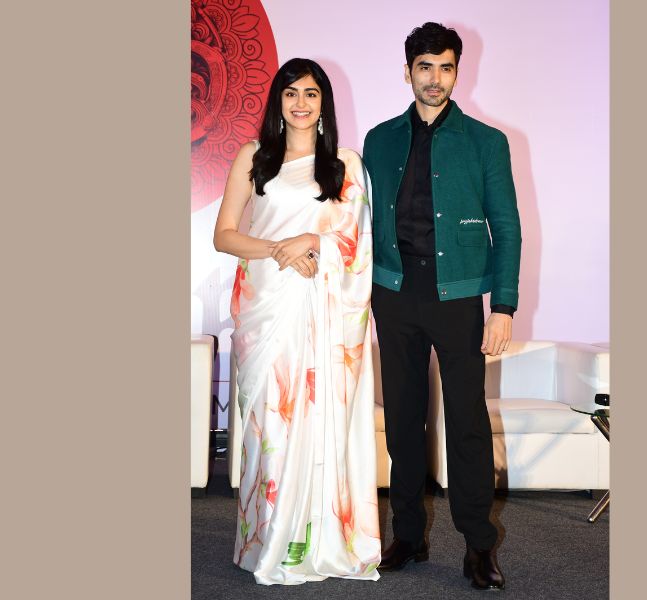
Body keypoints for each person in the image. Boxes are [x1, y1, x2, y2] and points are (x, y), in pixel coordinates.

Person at [363, 23, 521, 591]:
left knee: (468, 422)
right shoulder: (378, 141)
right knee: (404, 421)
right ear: (407, 71)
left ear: (458, 72)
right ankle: (408, 535)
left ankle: (479, 545)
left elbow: (506, 227)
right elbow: (359, 221)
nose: (435, 79)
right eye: (425, 67)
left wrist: (503, 305)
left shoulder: (486, 142)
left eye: (445, 67)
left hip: (458, 296)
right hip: (394, 292)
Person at [213, 58, 381, 586]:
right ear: (278, 102)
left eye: (311, 93)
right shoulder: (254, 156)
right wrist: (281, 250)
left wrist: (312, 242)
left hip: (324, 313)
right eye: (291, 93)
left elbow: (357, 242)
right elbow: (224, 234)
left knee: (316, 419)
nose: (301, 103)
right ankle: (268, 540)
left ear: (323, 102)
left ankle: (319, 540)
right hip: (266, 308)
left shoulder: (345, 164)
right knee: (270, 425)